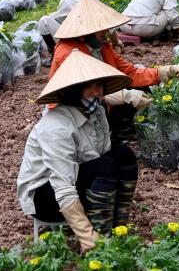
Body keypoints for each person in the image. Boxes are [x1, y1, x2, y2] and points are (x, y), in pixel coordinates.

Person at [17, 49, 135, 252]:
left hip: (77, 176)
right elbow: (62, 185)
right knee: (106, 166)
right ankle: (96, 242)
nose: (98, 93)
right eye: (91, 87)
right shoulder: (57, 126)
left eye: (100, 85)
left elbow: (103, 153)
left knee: (124, 155)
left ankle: (117, 225)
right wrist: (85, 235)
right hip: (45, 195)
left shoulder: (97, 112)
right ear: (73, 90)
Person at [51, 0, 179, 139]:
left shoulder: (102, 47)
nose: (106, 32)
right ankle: (114, 130)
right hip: (77, 111)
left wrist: (166, 71)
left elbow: (130, 73)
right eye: (101, 28)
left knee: (143, 86)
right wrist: (124, 96)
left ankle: (121, 127)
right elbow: (80, 92)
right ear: (86, 30)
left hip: (101, 101)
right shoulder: (68, 52)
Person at [39, 0, 101, 67]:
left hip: (80, 42)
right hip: (96, 42)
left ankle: (54, 56)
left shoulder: (67, 0)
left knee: (44, 21)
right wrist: (116, 41)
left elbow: (58, 18)